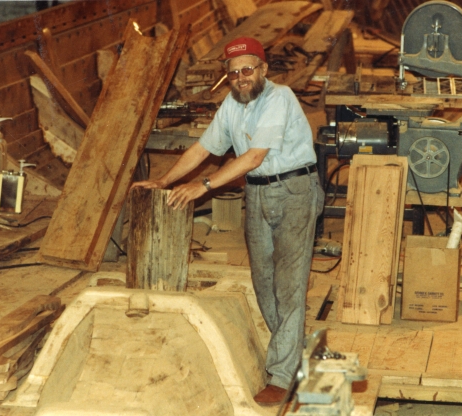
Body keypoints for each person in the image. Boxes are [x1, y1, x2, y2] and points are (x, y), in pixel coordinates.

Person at [132, 36, 324, 406]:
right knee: (263, 279)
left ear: (263, 69)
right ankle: (294, 353)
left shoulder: (279, 98)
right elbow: (203, 148)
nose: (240, 78)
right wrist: (164, 180)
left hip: (295, 191)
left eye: (247, 69)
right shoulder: (232, 106)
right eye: (233, 72)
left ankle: (283, 374)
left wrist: (202, 185)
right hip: (258, 193)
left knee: (289, 280)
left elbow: (252, 157)